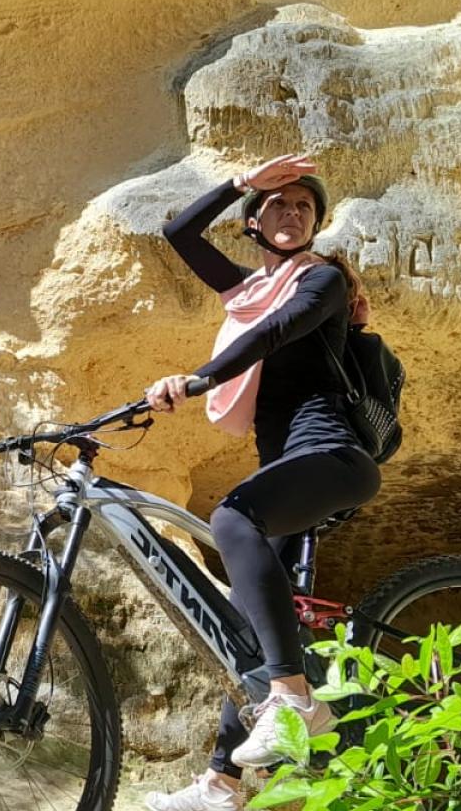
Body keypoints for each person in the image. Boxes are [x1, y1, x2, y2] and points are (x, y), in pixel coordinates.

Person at [140, 153, 380, 811]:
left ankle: (295, 698)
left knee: (230, 519)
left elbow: (278, 332)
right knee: (249, 626)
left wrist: (198, 379)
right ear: (253, 222)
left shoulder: (322, 282)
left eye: (305, 206)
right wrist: (244, 181)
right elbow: (179, 234)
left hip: (333, 454)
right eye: (281, 203)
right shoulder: (247, 288)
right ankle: (221, 785)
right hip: (288, 467)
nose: (294, 211)